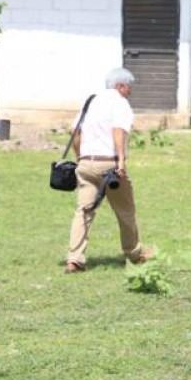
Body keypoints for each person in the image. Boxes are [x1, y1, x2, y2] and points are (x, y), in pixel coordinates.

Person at [64, 68, 153, 273]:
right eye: (128, 87)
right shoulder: (119, 103)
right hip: (109, 166)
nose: (129, 92)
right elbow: (118, 131)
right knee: (125, 211)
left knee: (83, 211)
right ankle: (134, 253)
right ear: (120, 86)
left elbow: (75, 131)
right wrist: (121, 160)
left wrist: (80, 158)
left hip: (86, 164)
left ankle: (74, 258)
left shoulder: (91, 101)